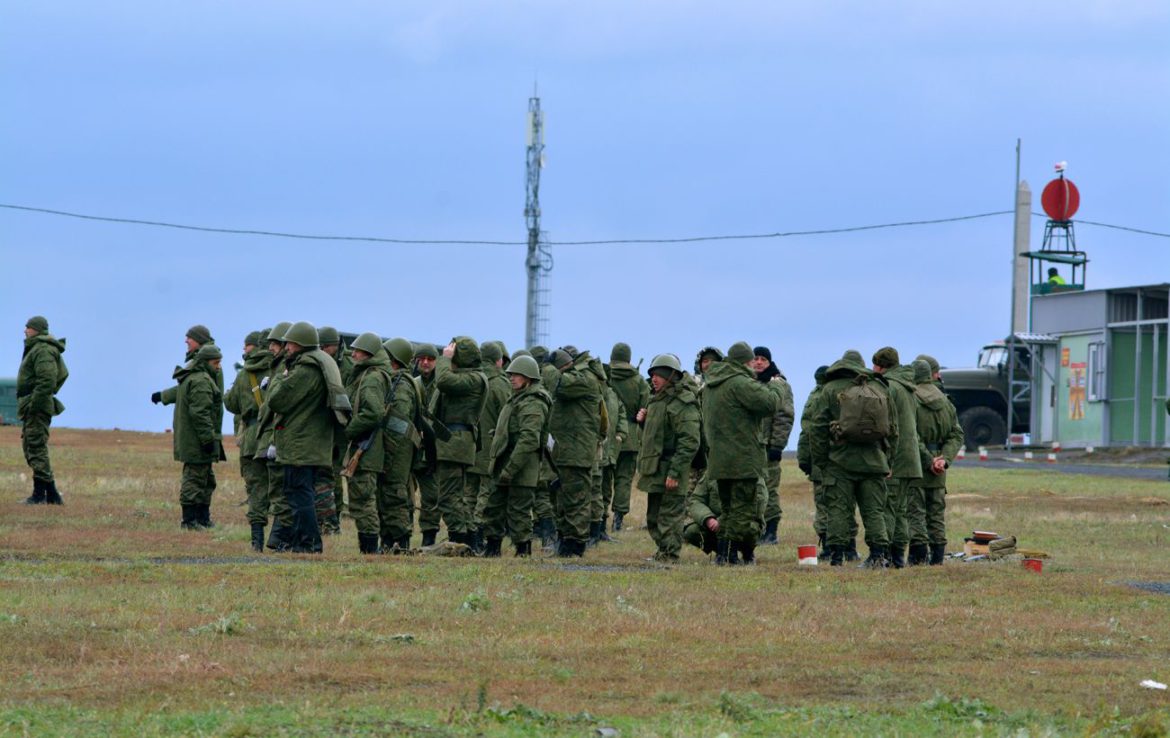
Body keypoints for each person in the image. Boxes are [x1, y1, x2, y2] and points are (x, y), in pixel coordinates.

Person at [811, 349, 898, 568]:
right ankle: (878, 555)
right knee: (874, 511)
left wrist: (822, 461)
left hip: (839, 462)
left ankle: (837, 556)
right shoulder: (878, 387)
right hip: (874, 462)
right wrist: (888, 460)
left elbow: (818, 428)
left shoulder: (829, 389)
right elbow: (893, 429)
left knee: (838, 510)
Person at [701, 341, 778, 565]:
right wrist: (776, 385)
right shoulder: (740, 383)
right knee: (743, 510)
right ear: (746, 362)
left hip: (719, 459)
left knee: (727, 509)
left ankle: (725, 554)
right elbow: (770, 403)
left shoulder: (711, 384)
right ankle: (729, 554)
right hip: (743, 459)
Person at [264, 321, 338, 553]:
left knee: (300, 494)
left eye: (290, 343)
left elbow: (277, 400)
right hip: (307, 442)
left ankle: (308, 543)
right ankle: (300, 541)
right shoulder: (318, 363)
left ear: (300, 344)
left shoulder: (306, 369)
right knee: (297, 492)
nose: (287, 347)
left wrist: (278, 379)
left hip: (301, 443)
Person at [484, 355, 553, 557]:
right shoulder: (517, 397)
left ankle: (523, 552)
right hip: (506, 464)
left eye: (517, 375)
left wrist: (510, 469)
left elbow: (529, 439)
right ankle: (492, 549)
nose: (512, 378)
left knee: (519, 512)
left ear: (529, 378)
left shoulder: (533, 402)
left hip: (521, 469)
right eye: (511, 374)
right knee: (494, 508)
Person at [635, 354, 701, 563]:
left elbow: (689, 441)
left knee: (670, 516)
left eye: (659, 375)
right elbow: (658, 435)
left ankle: (670, 555)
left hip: (671, 468)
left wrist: (675, 473)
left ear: (670, 377)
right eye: (652, 375)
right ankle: (663, 551)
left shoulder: (683, 403)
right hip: (654, 468)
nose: (654, 379)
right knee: (653, 517)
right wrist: (644, 422)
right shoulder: (656, 400)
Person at [549, 347, 607, 557]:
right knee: (565, 498)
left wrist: (547, 369)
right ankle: (566, 542)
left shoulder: (584, 378)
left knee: (576, 499)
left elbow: (560, 384)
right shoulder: (582, 375)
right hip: (568, 448)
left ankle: (575, 546)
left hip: (577, 450)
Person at [907, 359, 964, 565]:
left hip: (917, 464)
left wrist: (927, 459)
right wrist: (944, 460)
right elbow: (956, 435)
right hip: (940, 466)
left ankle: (919, 556)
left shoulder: (911, 399)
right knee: (936, 514)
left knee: (915, 511)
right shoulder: (945, 401)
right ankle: (938, 557)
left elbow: (911, 435)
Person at [163, 343, 226, 529]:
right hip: (197, 441)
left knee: (206, 480)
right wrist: (208, 439)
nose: (218, 367)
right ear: (205, 362)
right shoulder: (201, 381)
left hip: (195, 439)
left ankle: (202, 519)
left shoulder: (196, 377)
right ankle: (189, 521)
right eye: (216, 363)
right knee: (194, 480)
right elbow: (200, 413)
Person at [432, 337, 487, 547]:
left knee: (448, 498)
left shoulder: (474, 379)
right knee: (457, 497)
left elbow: (443, 381)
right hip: (453, 443)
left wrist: (444, 360)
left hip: (455, 443)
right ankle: (470, 540)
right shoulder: (469, 377)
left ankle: (460, 540)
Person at [871, 347, 922, 568]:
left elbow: (887, 426)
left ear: (881, 366)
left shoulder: (888, 387)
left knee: (887, 507)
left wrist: (886, 460)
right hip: (910, 457)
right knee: (900, 510)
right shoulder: (907, 386)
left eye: (875, 365)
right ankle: (898, 556)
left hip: (895, 457)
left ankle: (884, 556)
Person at [341, 332, 392, 554]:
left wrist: (348, 431)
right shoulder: (368, 374)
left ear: (369, 353)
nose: (353, 354)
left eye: (358, 351)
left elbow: (373, 413)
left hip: (366, 448)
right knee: (363, 500)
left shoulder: (371, 378)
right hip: (366, 446)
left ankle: (370, 550)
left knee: (363, 501)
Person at [223, 330, 273, 550]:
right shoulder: (280, 369)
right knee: (281, 488)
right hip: (275, 435)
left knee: (255, 489)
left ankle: (257, 542)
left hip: (252, 438)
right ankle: (281, 540)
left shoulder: (245, 373)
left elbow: (232, 404)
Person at [378, 338, 425, 552]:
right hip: (395, 446)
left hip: (398, 448)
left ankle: (398, 540)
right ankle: (389, 539)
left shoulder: (402, 385)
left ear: (394, 360)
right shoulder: (397, 381)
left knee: (396, 493)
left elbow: (400, 422)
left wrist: (390, 447)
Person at [17, 315, 68, 505]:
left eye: (28, 327)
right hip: (34, 405)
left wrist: (34, 405)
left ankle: (41, 495)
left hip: (37, 407)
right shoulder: (38, 348)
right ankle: (51, 495)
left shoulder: (43, 350)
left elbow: (46, 381)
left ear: (37, 329)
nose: (25, 330)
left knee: (36, 446)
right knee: (31, 446)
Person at [467, 340, 510, 553]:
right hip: (491, 451)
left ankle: (466, 536)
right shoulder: (500, 384)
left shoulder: (471, 379)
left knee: (468, 496)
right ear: (499, 360)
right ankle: (477, 535)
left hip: (469, 448)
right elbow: (508, 414)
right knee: (486, 496)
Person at [752, 346, 795, 545]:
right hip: (750, 448)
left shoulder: (779, 384)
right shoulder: (748, 383)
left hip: (768, 448)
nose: (759, 362)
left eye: (763, 359)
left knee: (769, 490)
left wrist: (777, 445)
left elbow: (784, 416)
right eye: (756, 358)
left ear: (769, 362)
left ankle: (771, 531)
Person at [608, 342, 649, 532]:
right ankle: (618, 519)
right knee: (624, 479)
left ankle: (599, 519)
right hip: (631, 436)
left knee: (604, 478)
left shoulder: (606, 376)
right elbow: (645, 407)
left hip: (609, 434)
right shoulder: (639, 380)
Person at [412, 343, 443, 546]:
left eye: (430, 359)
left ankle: (429, 536)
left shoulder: (443, 384)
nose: (425, 362)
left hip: (434, 448)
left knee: (432, 495)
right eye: (421, 358)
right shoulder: (412, 384)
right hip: (412, 445)